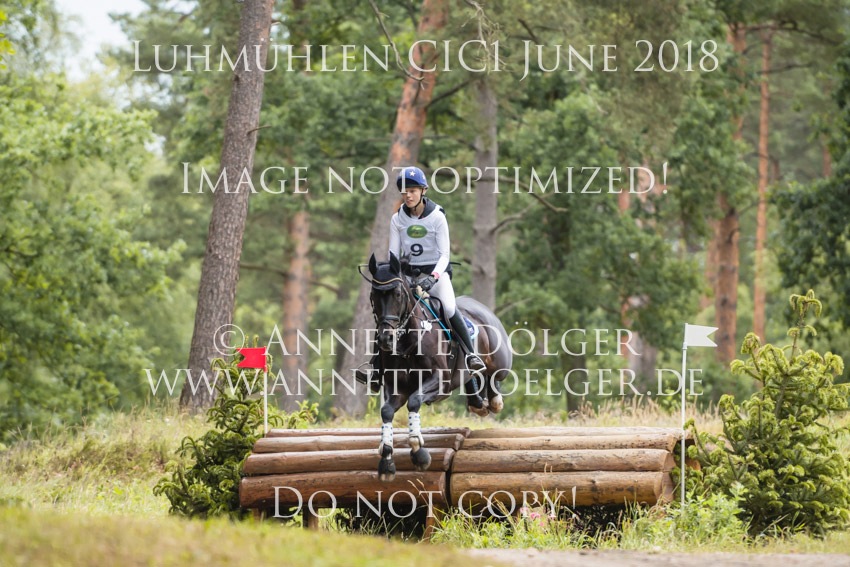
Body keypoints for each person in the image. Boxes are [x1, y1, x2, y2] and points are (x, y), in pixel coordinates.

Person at [356, 167, 486, 388]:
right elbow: (394, 255)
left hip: (436, 274)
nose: (408, 195)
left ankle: (471, 355)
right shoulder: (397, 219)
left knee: (449, 308)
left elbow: (445, 255)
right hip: (408, 276)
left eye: (413, 190)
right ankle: (376, 369)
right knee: (389, 313)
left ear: (423, 190)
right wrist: (393, 276)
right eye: (404, 191)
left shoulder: (437, 217)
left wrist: (433, 277)